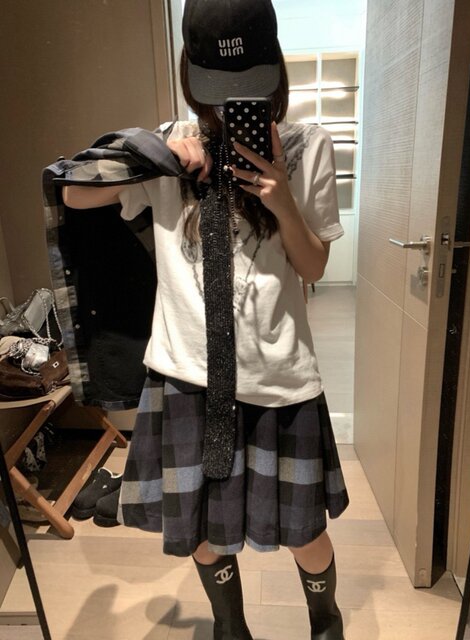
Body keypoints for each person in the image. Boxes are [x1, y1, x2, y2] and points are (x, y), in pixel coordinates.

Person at [62, 1, 349, 638]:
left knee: (304, 528)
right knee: (197, 524)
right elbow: (74, 193)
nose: (229, 103)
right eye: (217, 87)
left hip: (278, 376)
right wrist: (153, 156)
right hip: (186, 376)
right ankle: (229, 627)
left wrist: (283, 199)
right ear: (191, 74)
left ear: (274, 70)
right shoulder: (167, 146)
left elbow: (313, 265)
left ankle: (325, 620)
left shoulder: (307, 145)